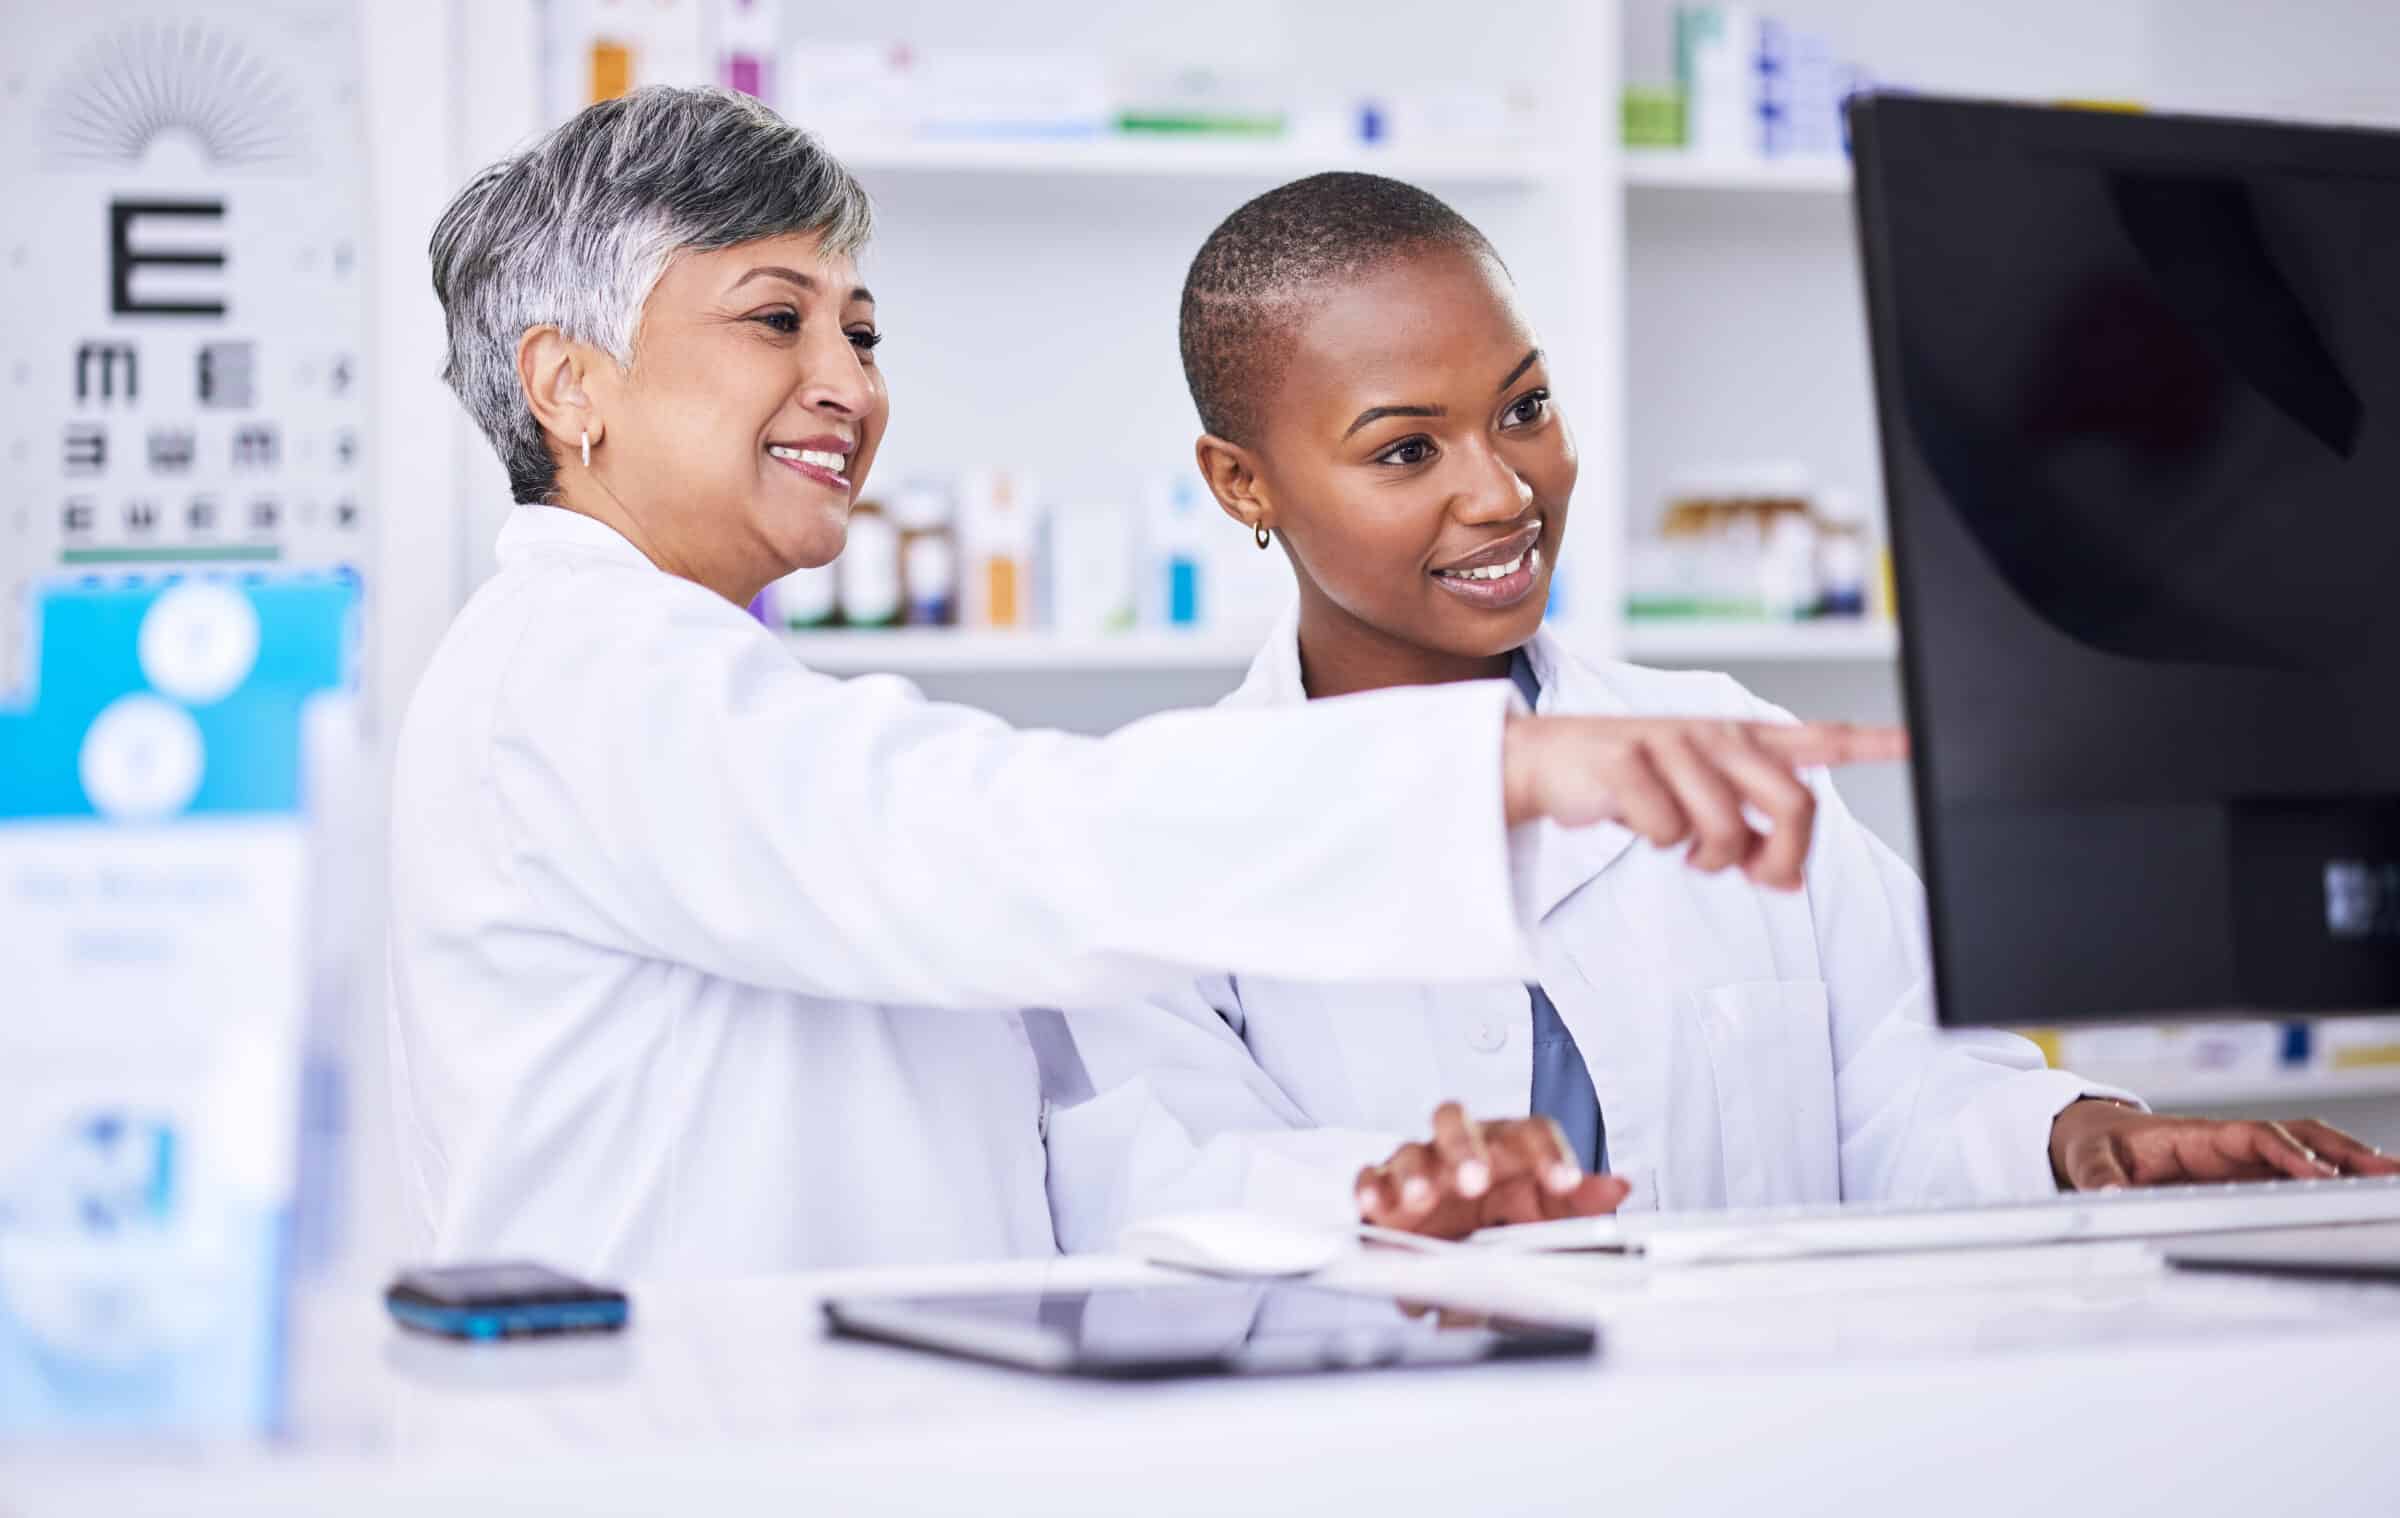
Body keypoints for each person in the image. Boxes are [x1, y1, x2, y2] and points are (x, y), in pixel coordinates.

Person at [388, 89, 1895, 1280]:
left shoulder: (711, 686)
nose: (848, 383)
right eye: (776, 319)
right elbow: (975, 841)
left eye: (859, 329)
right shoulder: (574, 676)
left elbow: (1061, 1163)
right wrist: (1492, 770)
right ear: (567, 383)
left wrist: (1369, 1193)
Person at [1044, 173, 2398, 1251]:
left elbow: (1907, 1089)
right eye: (1407, 449)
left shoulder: (1720, 742)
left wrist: (2071, 1134)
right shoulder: (1174, 831)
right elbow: (1162, 1186)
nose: (1504, 491)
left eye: (1525, 408)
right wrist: (1390, 1197)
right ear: (1242, 482)